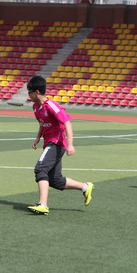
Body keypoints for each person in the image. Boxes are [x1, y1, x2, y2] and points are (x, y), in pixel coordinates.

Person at [25, 75, 94, 215]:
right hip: (49, 144)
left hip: (56, 143)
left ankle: (43, 205)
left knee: (40, 169)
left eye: (30, 92)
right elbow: (42, 123)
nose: (29, 95)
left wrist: (71, 144)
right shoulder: (36, 106)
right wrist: (38, 138)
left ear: (37, 92)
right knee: (54, 180)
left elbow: (67, 123)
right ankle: (85, 187)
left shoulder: (51, 106)